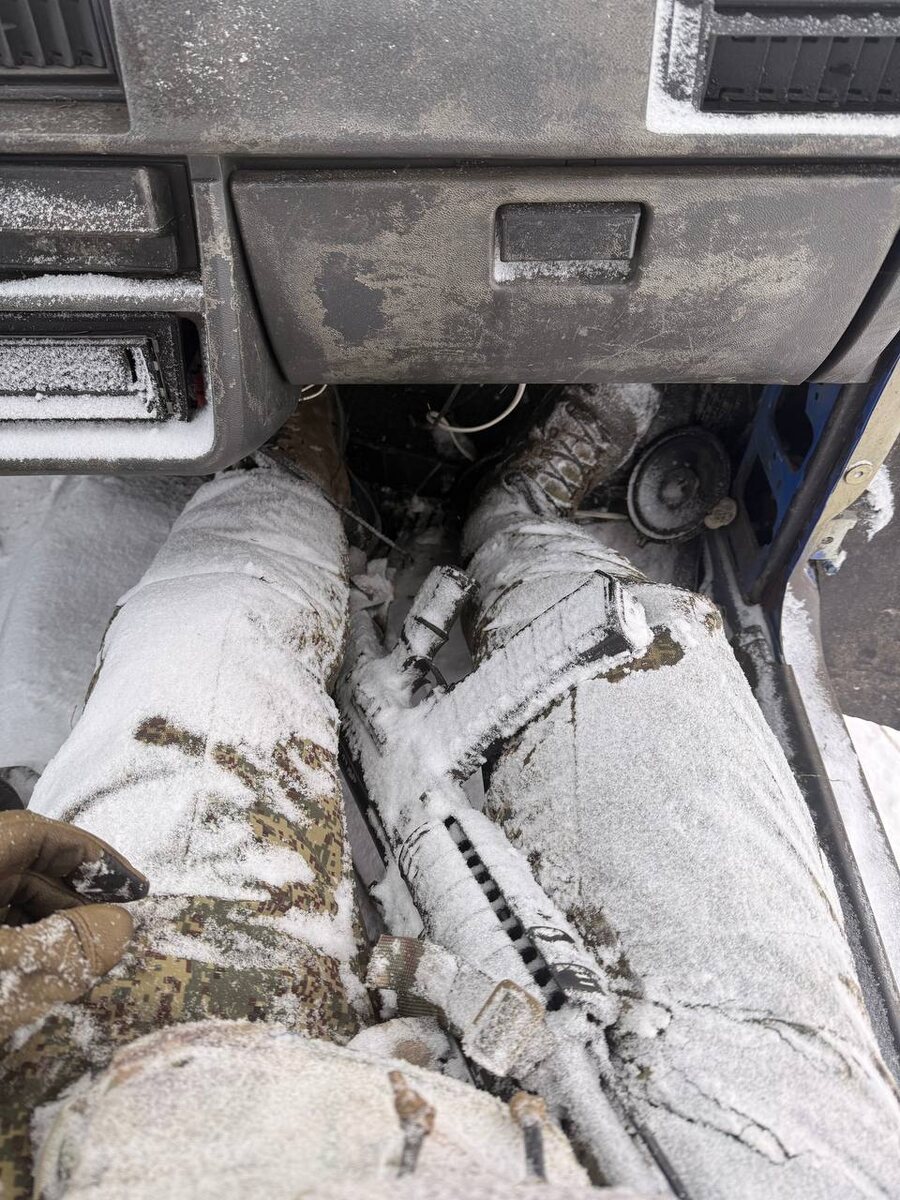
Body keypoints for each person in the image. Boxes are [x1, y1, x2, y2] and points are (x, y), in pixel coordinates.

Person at [1, 388, 898, 1200]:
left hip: (118, 1063)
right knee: (649, 657)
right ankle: (519, 523)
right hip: (748, 1152)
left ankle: (308, 488)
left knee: (223, 612)